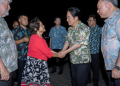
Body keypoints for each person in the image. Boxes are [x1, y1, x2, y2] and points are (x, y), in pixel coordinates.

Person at [21, 17, 62, 86]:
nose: (44, 26)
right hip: (35, 65)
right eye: (41, 25)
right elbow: (48, 53)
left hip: (39, 64)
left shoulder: (41, 38)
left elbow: (47, 49)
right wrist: (59, 55)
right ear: (35, 29)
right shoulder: (35, 38)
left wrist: (58, 53)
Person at [59, 7, 91, 86]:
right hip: (73, 60)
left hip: (82, 61)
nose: (66, 19)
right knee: (74, 81)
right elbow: (67, 41)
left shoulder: (84, 28)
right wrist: (62, 50)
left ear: (76, 17)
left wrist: (65, 52)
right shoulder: (69, 29)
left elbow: (78, 43)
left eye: (68, 17)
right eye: (66, 17)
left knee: (81, 83)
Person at [97, 0, 120, 86]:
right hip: (110, 67)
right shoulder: (107, 21)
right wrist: (107, 64)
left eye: (99, 8)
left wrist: (118, 67)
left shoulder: (118, 19)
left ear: (109, 5)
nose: (97, 11)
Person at [0, 0, 18, 86]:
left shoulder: (2, 20)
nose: (9, 7)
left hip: (8, 68)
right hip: (2, 71)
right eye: (7, 4)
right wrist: (2, 69)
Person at [11, 14, 30, 86]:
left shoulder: (29, 31)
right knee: (21, 74)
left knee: (28, 74)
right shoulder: (14, 31)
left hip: (29, 55)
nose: (26, 21)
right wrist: (22, 40)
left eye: (27, 19)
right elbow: (11, 43)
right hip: (20, 56)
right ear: (19, 20)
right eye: (24, 19)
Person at [87, 14, 102, 86]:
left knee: (95, 68)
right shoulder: (87, 29)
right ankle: (88, 79)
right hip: (87, 52)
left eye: (90, 20)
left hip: (95, 53)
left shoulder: (99, 29)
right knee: (87, 67)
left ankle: (96, 81)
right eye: (88, 20)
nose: (88, 22)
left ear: (95, 21)